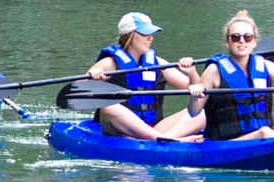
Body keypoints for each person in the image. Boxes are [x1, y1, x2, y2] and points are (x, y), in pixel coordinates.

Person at [184, 9, 274, 141]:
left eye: (247, 37)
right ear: (227, 42)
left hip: (267, 137)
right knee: (264, 132)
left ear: (254, 42)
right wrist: (195, 95)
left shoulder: (265, 66)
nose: (242, 41)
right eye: (235, 37)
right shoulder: (214, 71)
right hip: (229, 143)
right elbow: (193, 112)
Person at [86, 11, 202, 140]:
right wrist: (93, 80)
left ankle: (167, 139)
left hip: (155, 128)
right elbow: (77, 93)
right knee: (109, 106)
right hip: (121, 131)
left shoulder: (158, 63)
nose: (150, 38)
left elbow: (201, 92)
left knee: (204, 111)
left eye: (151, 34)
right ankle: (168, 140)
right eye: (144, 34)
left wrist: (192, 73)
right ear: (129, 35)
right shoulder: (109, 63)